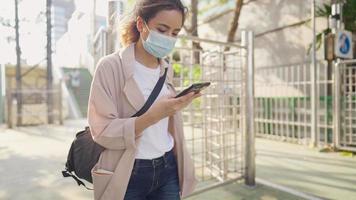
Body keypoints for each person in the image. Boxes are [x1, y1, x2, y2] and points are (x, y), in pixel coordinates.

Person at [87, 0, 200, 199]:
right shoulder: (110, 67)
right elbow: (101, 130)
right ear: (141, 25)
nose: (169, 38)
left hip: (167, 167)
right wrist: (153, 116)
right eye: (162, 29)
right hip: (128, 171)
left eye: (175, 33)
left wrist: (175, 107)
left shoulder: (166, 69)